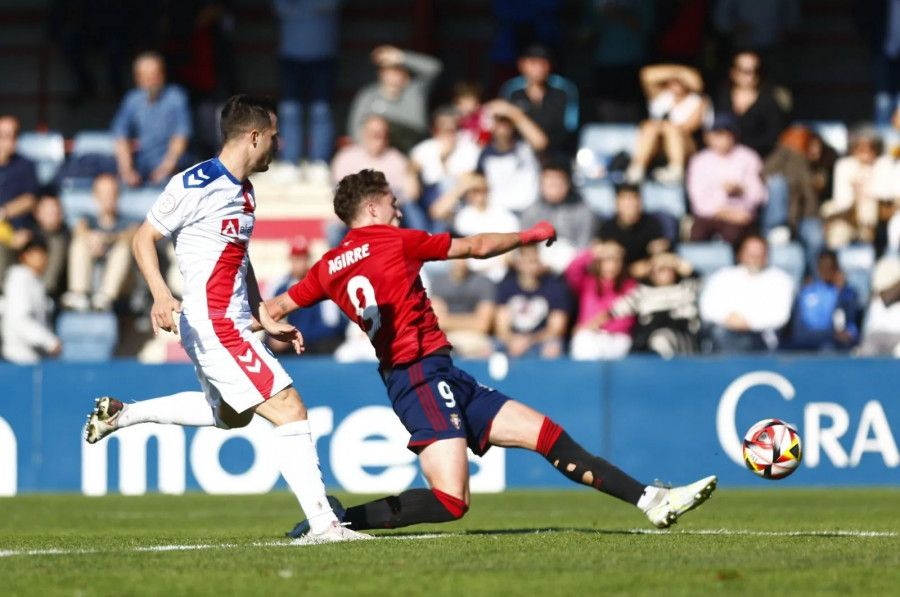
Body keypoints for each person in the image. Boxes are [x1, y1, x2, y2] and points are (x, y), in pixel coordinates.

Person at [263, 169, 716, 536]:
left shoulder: (326, 267)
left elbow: (275, 307)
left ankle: (652, 500)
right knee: (451, 500)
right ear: (373, 207)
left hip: (440, 372)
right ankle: (333, 521)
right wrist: (528, 235)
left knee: (546, 434)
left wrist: (271, 323)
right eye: (393, 203)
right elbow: (476, 247)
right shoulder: (394, 240)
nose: (399, 210)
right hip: (415, 375)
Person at [82, 95, 369, 544]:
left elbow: (240, 258)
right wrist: (161, 293)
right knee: (289, 408)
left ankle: (125, 415)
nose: (279, 143)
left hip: (233, 322)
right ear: (254, 136)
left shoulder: (245, 191)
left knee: (231, 417)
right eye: (274, 136)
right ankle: (324, 525)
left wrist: (262, 312)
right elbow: (143, 238)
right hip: (215, 324)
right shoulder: (197, 182)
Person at [274, 0, 342, 184]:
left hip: (324, 54)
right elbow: (280, 7)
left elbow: (331, 5)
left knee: (322, 111)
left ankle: (319, 162)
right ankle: (290, 162)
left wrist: (300, 7)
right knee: (289, 111)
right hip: (290, 54)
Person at [699, 234, 794, 352]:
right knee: (718, 333)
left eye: (758, 254)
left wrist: (748, 323)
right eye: (750, 253)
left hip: (760, 337)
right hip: (724, 331)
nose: (754, 258)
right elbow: (707, 308)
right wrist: (728, 319)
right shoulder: (723, 276)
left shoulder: (780, 280)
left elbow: (780, 316)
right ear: (741, 254)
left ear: (766, 256)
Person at [111, 52, 193, 187]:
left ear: (162, 74)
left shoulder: (177, 97)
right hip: (143, 164)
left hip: (175, 167)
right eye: (145, 76)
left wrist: (165, 168)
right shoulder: (132, 100)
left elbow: (181, 137)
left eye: (154, 75)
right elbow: (120, 136)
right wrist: (127, 170)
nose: (151, 80)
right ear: (137, 79)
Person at [687, 114, 768, 247]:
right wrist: (724, 213)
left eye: (728, 134)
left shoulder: (748, 157)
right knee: (697, 236)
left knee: (734, 235)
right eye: (718, 134)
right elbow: (697, 200)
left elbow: (760, 195)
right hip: (710, 215)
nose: (724, 139)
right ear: (708, 137)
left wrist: (741, 190)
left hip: (740, 215)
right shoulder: (699, 161)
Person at [602, 252, 702, 357]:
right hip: (649, 336)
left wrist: (676, 262)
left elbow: (701, 280)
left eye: (669, 269)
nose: (666, 273)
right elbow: (614, 311)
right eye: (661, 269)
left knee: (662, 340)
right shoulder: (642, 292)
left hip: (680, 336)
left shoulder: (687, 288)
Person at [61, 174, 137, 312]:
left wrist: (105, 238)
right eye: (103, 193)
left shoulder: (129, 222)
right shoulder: (87, 220)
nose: (108, 198)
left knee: (123, 248)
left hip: (124, 284)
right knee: (79, 244)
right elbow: (79, 230)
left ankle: (105, 297)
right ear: (95, 196)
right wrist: (91, 238)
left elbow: (132, 234)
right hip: (93, 271)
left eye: (111, 193)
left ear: (118, 195)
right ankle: (79, 294)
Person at [346, 45, 442, 153]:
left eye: (398, 70)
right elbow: (355, 129)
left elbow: (435, 68)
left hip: (413, 152)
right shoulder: (368, 95)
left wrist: (401, 57)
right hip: (379, 154)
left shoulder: (415, 90)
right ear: (381, 74)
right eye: (389, 70)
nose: (394, 75)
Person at [626, 64, 707, 184]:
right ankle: (637, 168)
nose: (675, 84)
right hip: (657, 146)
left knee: (670, 127)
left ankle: (676, 169)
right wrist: (678, 71)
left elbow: (690, 127)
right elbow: (646, 75)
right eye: (672, 81)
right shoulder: (662, 97)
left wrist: (665, 127)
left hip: (684, 145)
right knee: (649, 126)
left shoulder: (697, 101)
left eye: (680, 82)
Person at [267, 235, 346, 356]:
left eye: (303, 258)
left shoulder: (321, 284)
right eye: (297, 258)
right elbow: (267, 315)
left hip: (313, 344)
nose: (301, 263)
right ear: (291, 260)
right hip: (287, 345)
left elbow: (331, 324)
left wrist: (296, 335)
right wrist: (276, 336)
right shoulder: (278, 285)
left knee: (331, 344)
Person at [499, 43, 579, 159]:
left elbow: (570, 128)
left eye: (543, 63)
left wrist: (542, 144)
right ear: (522, 65)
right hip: (518, 155)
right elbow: (503, 125)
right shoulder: (511, 90)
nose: (539, 68)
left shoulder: (564, 90)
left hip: (557, 154)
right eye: (533, 63)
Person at [820, 126, 894, 250]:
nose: (866, 152)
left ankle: (867, 242)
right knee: (837, 234)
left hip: (877, 219)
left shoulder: (884, 163)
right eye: (861, 148)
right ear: (854, 149)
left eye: (870, 148)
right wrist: (855, 192)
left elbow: (888, 192)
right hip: (846, 215)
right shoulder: (844, 166)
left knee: (867, 205)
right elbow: (840, 200)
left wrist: (867, 187)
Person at [494, 244, 570, 359]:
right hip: (512, 341)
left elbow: (557, 329)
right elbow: (501, 327)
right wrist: (513, 340)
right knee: (485, 349)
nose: (534, 266)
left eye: (536, 261)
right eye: (529, 262)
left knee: (553, 349)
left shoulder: (554, 286)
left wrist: (529, 340)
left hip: (540, 341)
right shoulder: (507, 286)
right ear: (518, 263)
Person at [519, 160, 596, 274]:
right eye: (548, 182)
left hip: (572, 272)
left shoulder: (584, 213)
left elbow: (584, 249)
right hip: (538, 270)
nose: (553, 187)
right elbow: (524, 248)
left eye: (557, 182)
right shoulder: (531, 212)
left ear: (568, 183)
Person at [565, 240, 637, 360]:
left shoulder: (629, 285)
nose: (611, 265)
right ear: (599, 263)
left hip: (617, 337)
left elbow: (627, 319)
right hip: (588, 335)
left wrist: (598, 325)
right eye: (607, 260)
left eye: (615, 261)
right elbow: (572, 270)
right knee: (583, 342)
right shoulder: (588, 282)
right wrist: (592, 252)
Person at [477, 99, 547, 214]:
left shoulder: (525, 147)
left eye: (507, 121)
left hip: (531, 211)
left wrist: (512, 112)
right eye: (498, 120)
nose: (503, 125)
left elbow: (540, 142)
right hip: (500, 215)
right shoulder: (484, 153)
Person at [714, 51, 787, 159]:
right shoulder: (722, 96)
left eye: (756, 71)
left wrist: (741, 149)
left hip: (758, 157)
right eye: (745, 71)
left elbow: (773, 136)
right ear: (733, 72)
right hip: (721, 155)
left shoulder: (769, 100)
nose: (751, 75)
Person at [1, 238, 63, 364]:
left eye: (44, 254)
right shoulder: (19, 279)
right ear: (24, 256)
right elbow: (19, 319)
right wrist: (49, 342)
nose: (42, 259)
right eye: (36, 254)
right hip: (17, 358)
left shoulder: (36, 281)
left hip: (32, 359)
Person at [785, 250, 858, 352]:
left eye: (830, 267)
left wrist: (840, 292)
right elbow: (800, 327)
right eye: (823, 266)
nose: (826, 271)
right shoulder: (807, 291)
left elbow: (846, 324)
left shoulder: (846, 293)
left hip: (831, 342)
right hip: (808, 338)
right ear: (818, 267)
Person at [595, 183, 669, 279]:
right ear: (617, 203)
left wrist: (649, 265)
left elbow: (661, 253)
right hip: (618, 279)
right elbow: (600, 258)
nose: (631, 204)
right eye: (625, 199)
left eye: (634, 198)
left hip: (647, 277)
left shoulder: (652, 224)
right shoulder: (607, 228)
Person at [428, 258, 497, 359]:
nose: (460, 260)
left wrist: (448, 320)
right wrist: (472, 320)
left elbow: (483, 325)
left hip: (475, 339)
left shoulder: (484, 282)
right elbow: (437, 322)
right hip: (447, 338)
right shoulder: (438, 283)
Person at [0, 115, 39, 286]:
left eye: (14, 134)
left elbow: (31, 199)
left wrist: (4, 212)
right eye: (4, 135)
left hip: (21, 229)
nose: (10, 139)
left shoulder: (25, 165)